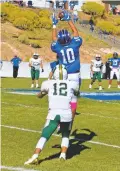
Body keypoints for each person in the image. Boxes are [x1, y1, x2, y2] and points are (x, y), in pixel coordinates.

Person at [24, 64, 79, 165]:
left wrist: (42, 93)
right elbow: (76, 96)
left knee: (45, 135)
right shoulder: (73, 84)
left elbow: (39, 95)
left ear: (54, 73)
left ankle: (35, 156)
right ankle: (63, 155)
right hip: (67, 113)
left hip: (53, 113)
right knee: (65, 134)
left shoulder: (47, 83)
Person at [51, 11, 82, 118]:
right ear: (69, 37)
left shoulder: (58, 47)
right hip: (75, 74)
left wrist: (54, 25)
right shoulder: (75, 44)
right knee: (73, 99)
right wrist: (68, 20)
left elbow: (54, 39)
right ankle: (70, 120)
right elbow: (75, 32)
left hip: (63, 75)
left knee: (62, 97)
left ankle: (60, 118)